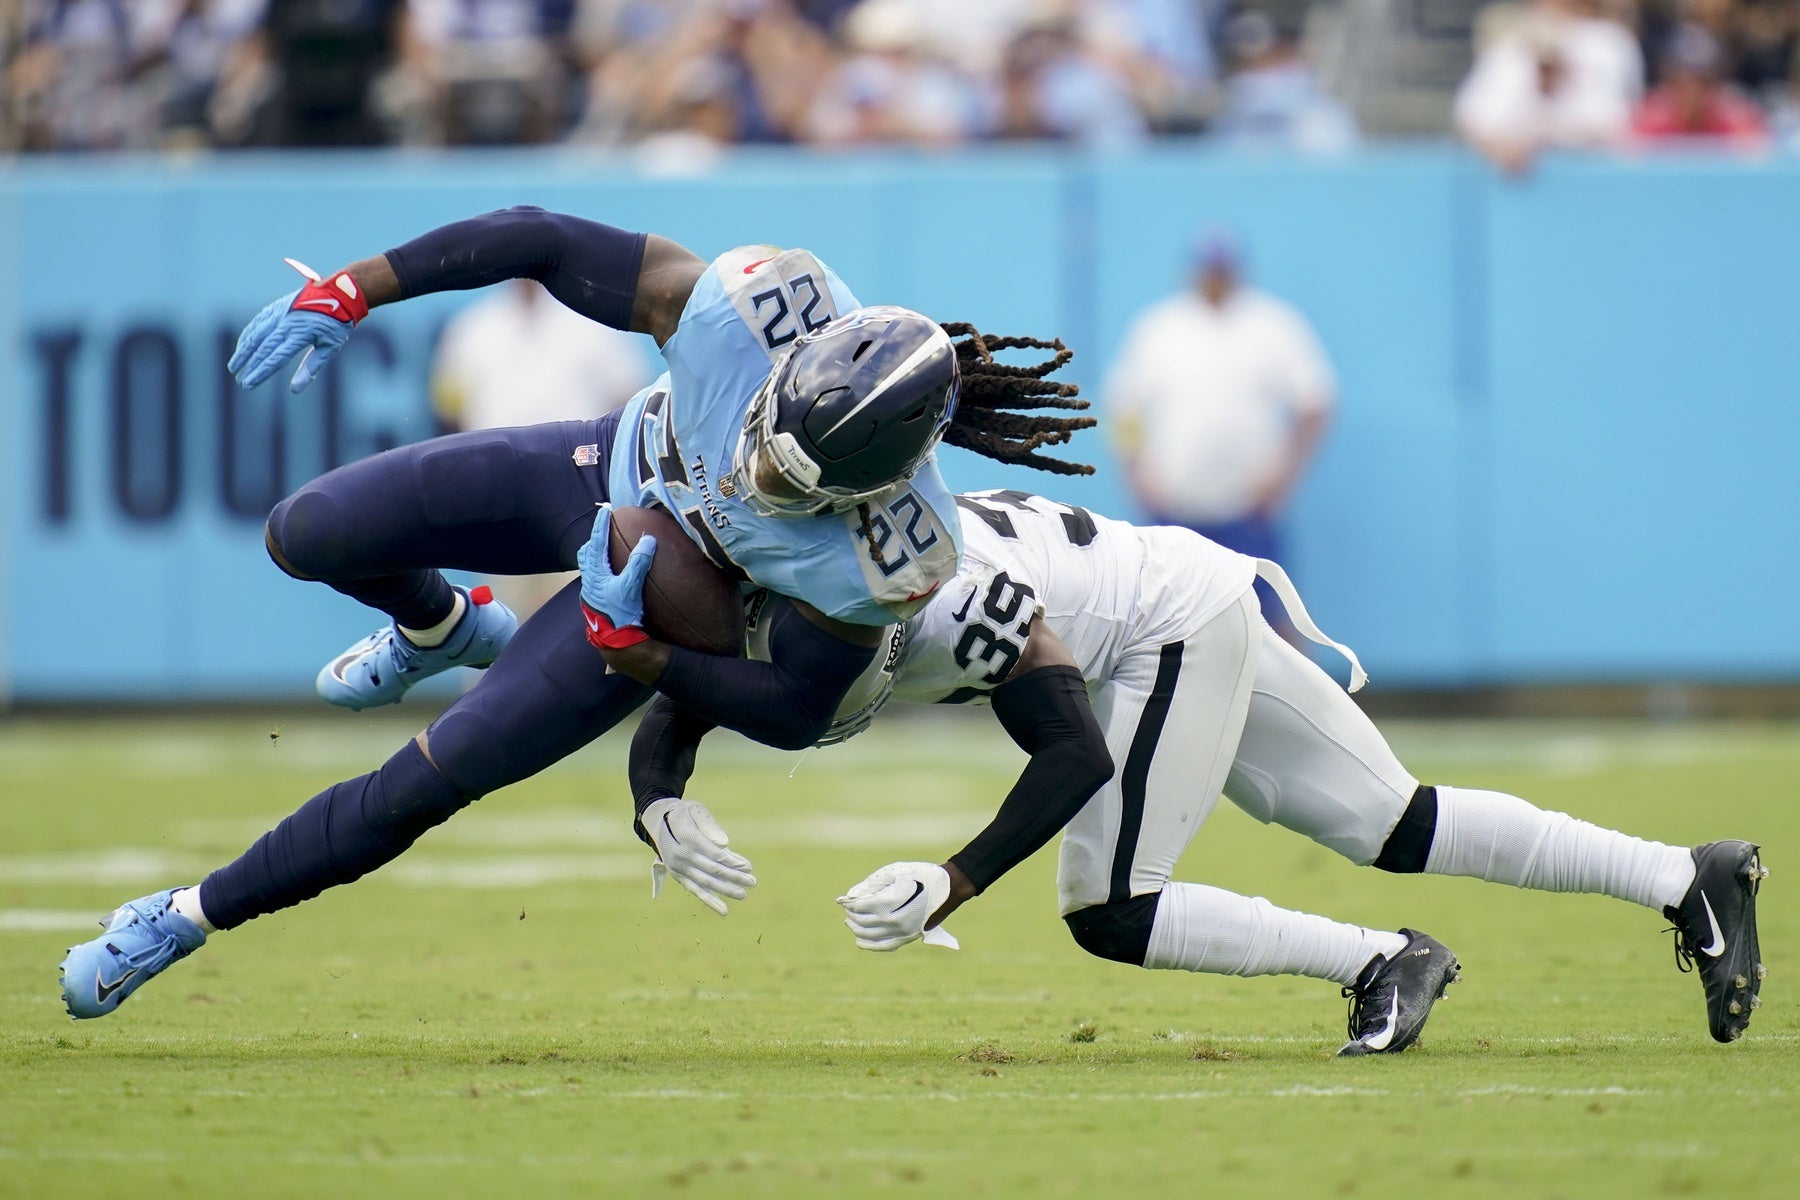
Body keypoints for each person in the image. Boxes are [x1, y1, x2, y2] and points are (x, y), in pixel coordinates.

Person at [57, 206, 1093, 1019]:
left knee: (427, 779)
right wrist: (354, 290)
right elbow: (538, 237)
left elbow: (788, 707)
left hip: (659, 591)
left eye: (799, 486)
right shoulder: (745, 309)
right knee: (307, 530)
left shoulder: (893, 554)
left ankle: (186, 916)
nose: (763, 477)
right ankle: (439, 628)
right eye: (772, 441)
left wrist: (638, 656)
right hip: (606, 462)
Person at [630, 490, 1768, 1053]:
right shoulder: (786, 560)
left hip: (1158, 622)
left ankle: (1385, 961)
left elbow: (1071, 749)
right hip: (1176, 582)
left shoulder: (940, 598)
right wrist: (658, 794)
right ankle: (1684, 874)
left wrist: (954, 880)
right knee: (1395, 823)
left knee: (1113, 906)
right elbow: (693, 679)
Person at [1105, 228, 1333, 643]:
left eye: (1223, 270)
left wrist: (1283, 475)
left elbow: (1315, 405)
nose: (1216, 279)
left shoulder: (1271, 324)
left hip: (1248, 504)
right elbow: (1125, 407)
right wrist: (1139, 474)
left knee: (1274, 620)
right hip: (1175, 504)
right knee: (1162, 619)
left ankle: (1294, 706)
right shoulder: (1161, 327)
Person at [431, 277, 654, 619]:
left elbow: (629, 401)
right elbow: (450, 414)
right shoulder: (472, 328)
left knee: (580, 615)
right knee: (503, 616)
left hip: (580, 492)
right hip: (500, 499)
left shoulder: (592, 322)